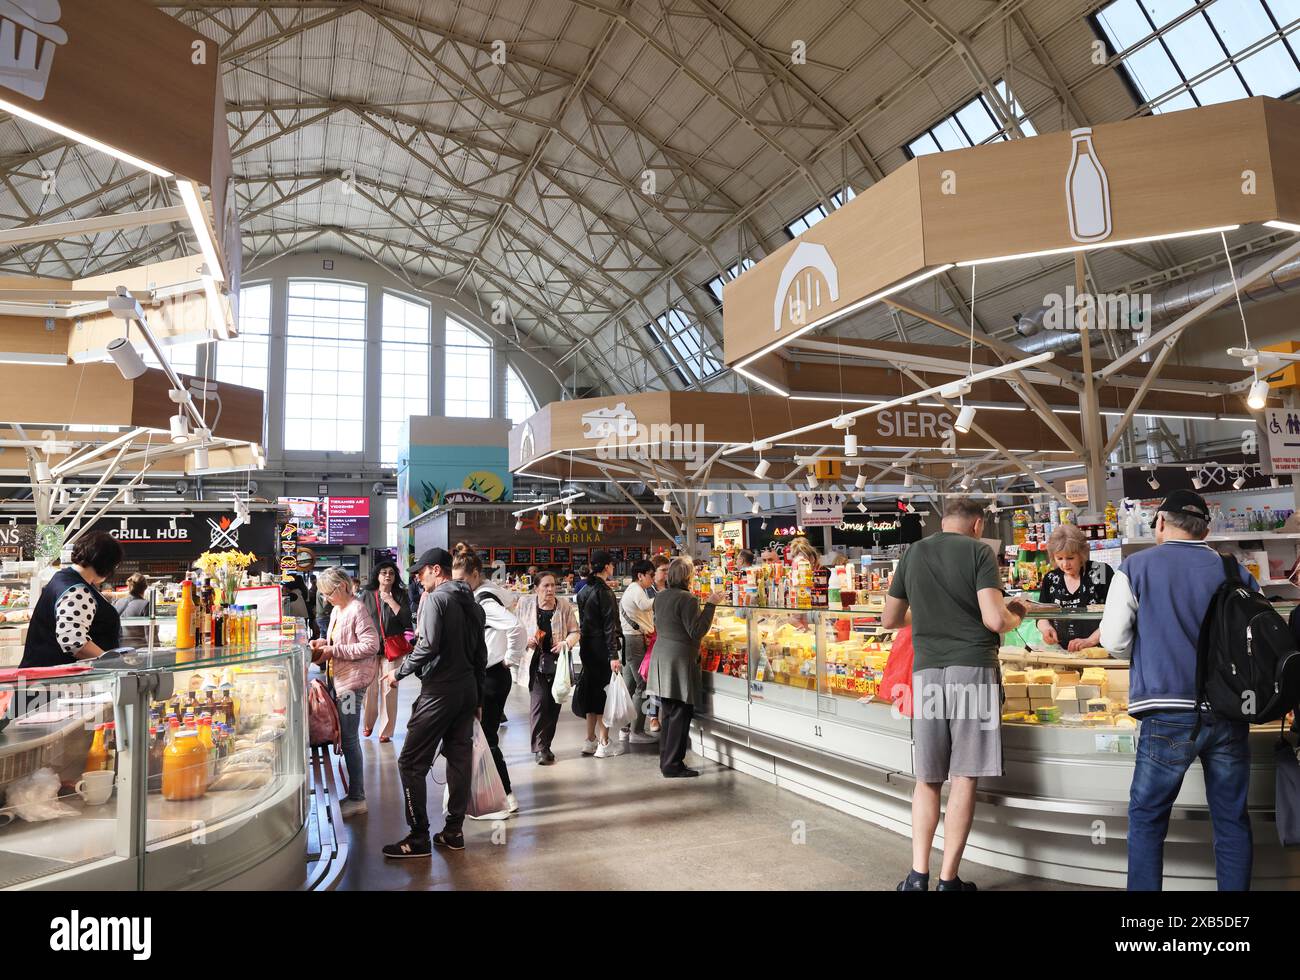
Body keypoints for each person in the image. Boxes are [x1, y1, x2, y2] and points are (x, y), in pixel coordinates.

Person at [1100, 490, 1257, 891]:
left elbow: (1114, 639)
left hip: (1165, 710)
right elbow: (1252, 635)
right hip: (1228, 708)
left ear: (1161, 524)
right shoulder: (1233, 569)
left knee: (1149, 818)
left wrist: (1151, 646)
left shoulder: (1135, 568)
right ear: (1206, 528)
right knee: (1232, 817)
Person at [882, 497, 1025, 892]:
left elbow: (890, 619)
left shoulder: (913, 553)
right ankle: (948, 881)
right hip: (973, 670)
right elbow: (995, 619)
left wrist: (928, 614)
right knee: (963, 776)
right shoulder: (979, 552)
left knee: (927, 778)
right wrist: (1019, 613)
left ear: (942, 522)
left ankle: (917, 876)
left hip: (926, 674)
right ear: (978, 525)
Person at [384, 547, 487, 857]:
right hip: (466, 689)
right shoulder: (472, 603)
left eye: (422, 570)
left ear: (438, 571)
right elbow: (480, 655)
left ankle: (418, 838)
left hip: (440, 691)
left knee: (410, 762)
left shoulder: (436, 599)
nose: (418, 576)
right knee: (458, 758)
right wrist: (478, 697)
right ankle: (453, 831)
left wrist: (397, 674)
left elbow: (427, 646)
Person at [309, 567, 379, 819]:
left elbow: (372, 645)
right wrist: (324, 645)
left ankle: (358, 798)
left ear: (341, 587)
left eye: (328, 593)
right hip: (340, 681)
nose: (326, 598)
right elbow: (341, 643)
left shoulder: (357, 609)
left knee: (349, 739)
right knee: (347, 739)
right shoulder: (339, 610)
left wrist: (333, 650)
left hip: (351, 686)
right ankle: (354, 794)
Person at [459, 543, 523, 816]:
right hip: (491, 674)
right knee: (483, 736)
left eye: (462, 580)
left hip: (493, 676)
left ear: (474, 575)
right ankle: (491, 793)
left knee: (487, 738)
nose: (459, 585)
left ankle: (506, 795)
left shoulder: (484, 601)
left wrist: (512, 657)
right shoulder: (492, 594)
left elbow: (517, 627)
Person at [647, 557, 725, 777]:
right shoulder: (688, 599)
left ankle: (667, 761)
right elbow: (696, 631)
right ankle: (673, 765)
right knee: (681, 712)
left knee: (669, 712)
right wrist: (710, 604)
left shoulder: (660, 597)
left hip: (662, 657)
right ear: (688, 577)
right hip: (679, 660)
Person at [22, 532, 125, 668]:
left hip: (43, 677)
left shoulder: (63, 578)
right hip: (59, 682)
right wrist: (113, 663)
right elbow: (73, 641)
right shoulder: (78, 590)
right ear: (105, 563)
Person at [515, 571, 580, 764]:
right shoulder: (525, 604)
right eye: (546, 586)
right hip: (534, 662)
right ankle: (539, 748)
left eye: (553, 585)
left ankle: (547, 745)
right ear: (536, 588)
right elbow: (514, 630)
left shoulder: (564, 606)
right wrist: (526, 641)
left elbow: (575, 631)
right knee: (540, 703)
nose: (550, 589)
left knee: (554, 704)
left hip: (557, 663)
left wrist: (566, 644)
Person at [358, 560, 413, 743]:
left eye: (391, 572)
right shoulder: (366, 594)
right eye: (384, 572)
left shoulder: (400, 594)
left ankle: (386, 731)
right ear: (377, 576)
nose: (387, 575)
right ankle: (368, 723)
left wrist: (390, 600)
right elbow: (358, 617)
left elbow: (406, 620)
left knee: (390, 689)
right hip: (371, 648)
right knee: (370, 689)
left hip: (393, 649)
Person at [576, 550, 623, 758]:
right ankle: (604, 742)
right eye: (612, 565)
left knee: (591, 691)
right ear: (606, 567)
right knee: (605, 693)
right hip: (602, 648)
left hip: (587, 647)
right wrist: (614, 655)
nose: (613, 568)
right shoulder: (605, 592)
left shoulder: (584, 590)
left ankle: (590, 740)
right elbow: (609, 627)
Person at [1037, 524, 1113, 652]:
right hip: (1062, 652)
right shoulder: (1050, 578)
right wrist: (1046, 628)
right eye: (1059, 558)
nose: (1065, 564)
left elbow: (1115, 615)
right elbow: (1041, 614)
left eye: (1070, 558)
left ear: (1082, 553)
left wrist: (1090, 640)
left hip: (1098, 650)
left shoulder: (1100, 572)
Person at [618, 559, 658, 743]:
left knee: (630, 686)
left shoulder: (636, 589)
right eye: (651, 574)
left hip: (630, 640)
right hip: (633, 641)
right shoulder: (636, 589)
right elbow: (645, 606)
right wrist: (664, 596)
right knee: (642, 684)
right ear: (640, 575)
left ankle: (625, 728)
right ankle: (637, 731)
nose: (653, 578)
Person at [645, 553, 671, 734]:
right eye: (663, 570)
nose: (666, 574)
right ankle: (653, 716)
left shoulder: (672, 588)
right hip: (652, 638)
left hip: (669, 636)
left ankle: (666, 714)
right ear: (654, 572)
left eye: (668, 570)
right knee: (653, 679)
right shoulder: (647, 591)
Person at [114, 573, 151, 647]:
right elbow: (150, 634)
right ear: (145, 588)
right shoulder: (146, 604)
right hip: (139, 650)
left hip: (120, 649)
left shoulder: (118, 602)